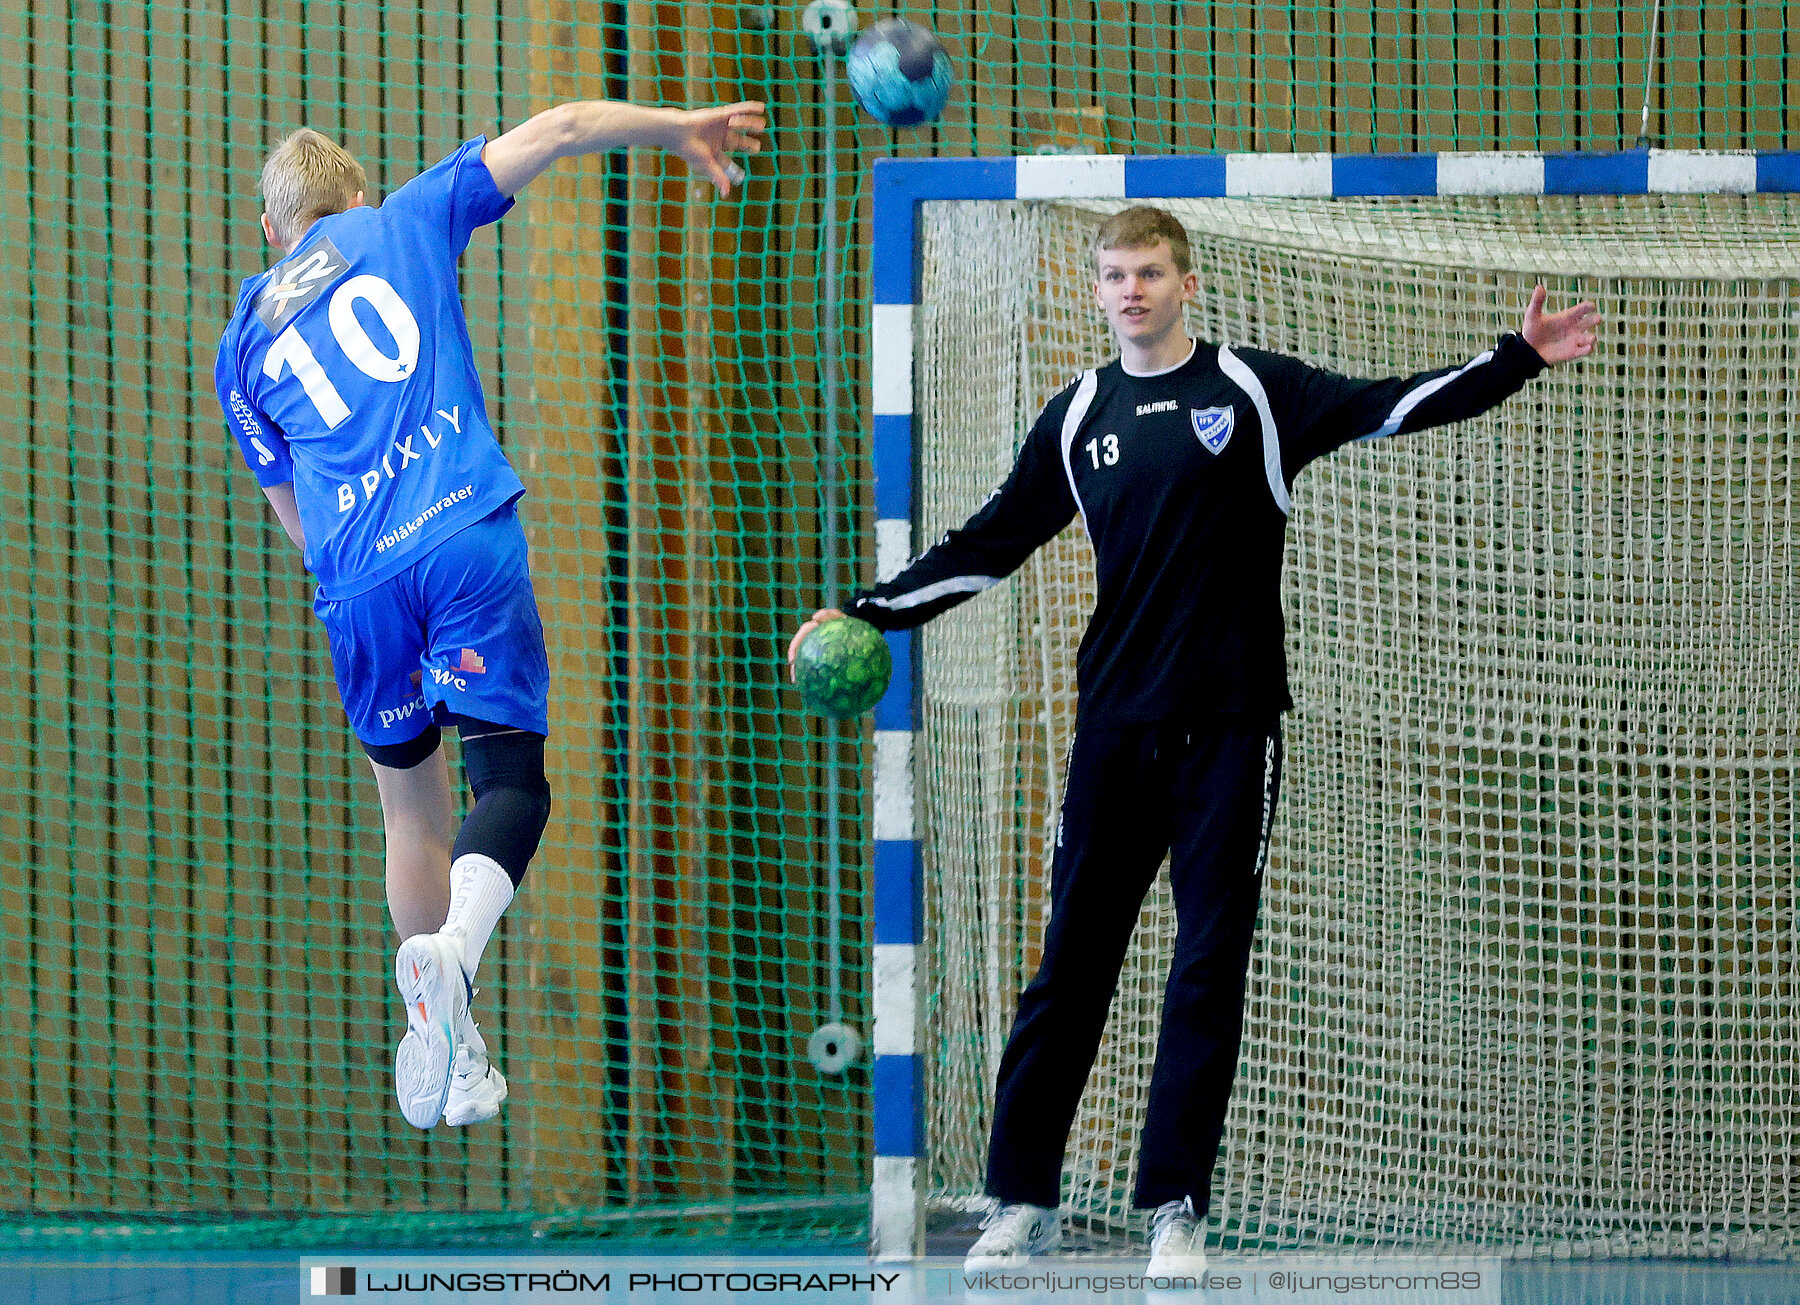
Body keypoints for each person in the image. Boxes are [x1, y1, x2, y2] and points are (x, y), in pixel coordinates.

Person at [789, 206, 1599, 1272]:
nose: (1133, 290)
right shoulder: (1077, 415)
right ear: (1095, 291)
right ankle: (1018, 1200)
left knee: (1207, 967)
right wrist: (867, 611)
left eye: (1152, 273)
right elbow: (989, 541)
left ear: (1187, 283)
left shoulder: (1256, 393)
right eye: (1116, 275)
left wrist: (1514, 359)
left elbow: (1389, 407)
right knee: (1070, 967)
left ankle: (1174, 1207)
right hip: (1114, 730)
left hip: (1230, 730)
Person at [215, 98, 765, 1130]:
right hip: (460, 527)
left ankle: (446, 1041)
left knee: (408, 813)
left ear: (270, 233)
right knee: (510, 780)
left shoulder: (241, 344)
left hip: (357, 583)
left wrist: (358, 582)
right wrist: (678, 130)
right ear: (357, 198)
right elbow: (557, 130)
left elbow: (293, 517)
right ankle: (453, 962)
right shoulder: (407, 217)